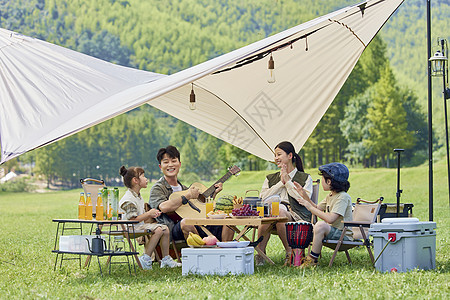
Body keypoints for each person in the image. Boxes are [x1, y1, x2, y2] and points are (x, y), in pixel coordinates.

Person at [148, 145, 233, 243]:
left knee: (228, 220)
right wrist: (187, 196)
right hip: (173, 228)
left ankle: (226, 252)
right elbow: (163, 207)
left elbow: (198, 207)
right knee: (186, 222)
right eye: (166, 162)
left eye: (174, 161)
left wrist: (214, 194)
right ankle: (201, 255)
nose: (170, 165)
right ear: (160, 166)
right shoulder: (158, 188)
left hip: (197, 224)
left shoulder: (184, 188)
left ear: (179, 164)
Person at [256, 141, 313, 265]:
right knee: (270, 215)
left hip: (296, 213)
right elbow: (262, 198)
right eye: (275, 155)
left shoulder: (305, 178)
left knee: (280, 212)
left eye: (279, 154)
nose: (276, 158)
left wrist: (288, 182)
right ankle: (260, 254)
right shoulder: (270, 178)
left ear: (290, 156)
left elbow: (303, 199)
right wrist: (280, 183)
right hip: (271, 213)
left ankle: (289, 254)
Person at [119, 165, 181, 270]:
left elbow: (139, 218)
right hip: (129, 228)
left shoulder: (137, 196)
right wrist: (148, 214)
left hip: (137, 226)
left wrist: (153, 215)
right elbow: (132, 220)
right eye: (143, 176)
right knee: (158, 230)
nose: (146, 179)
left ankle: (165, 259)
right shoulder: (128, 199)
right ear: (135, 180)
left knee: (164, 229)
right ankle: (145, 258)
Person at [293, 162, 353, 268]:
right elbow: (316, 208)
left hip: (343, 236)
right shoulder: (331, 195)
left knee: (320, 225)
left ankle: (312, 260)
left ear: (329, 181)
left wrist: (310, 207)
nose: (321, 183)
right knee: (301, 224)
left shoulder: (343, 197)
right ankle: (299, 257)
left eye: (323, 180)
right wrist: (304, 194)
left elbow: (330, 219)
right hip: (332, 232)